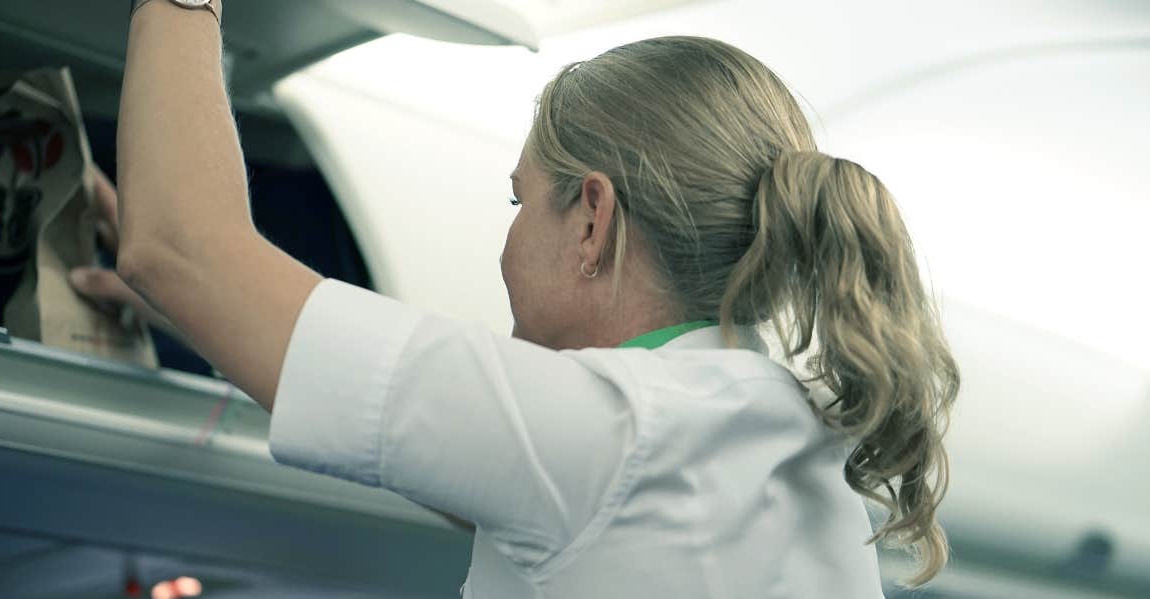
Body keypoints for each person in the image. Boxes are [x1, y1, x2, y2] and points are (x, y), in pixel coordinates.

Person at [69, 1, 960, 596]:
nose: (505, 238)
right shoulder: (779, 450)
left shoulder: (618, 430)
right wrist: (213, 315)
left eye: (519, 200)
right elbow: (475, 471)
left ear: (591, 221)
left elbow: (176, 247)